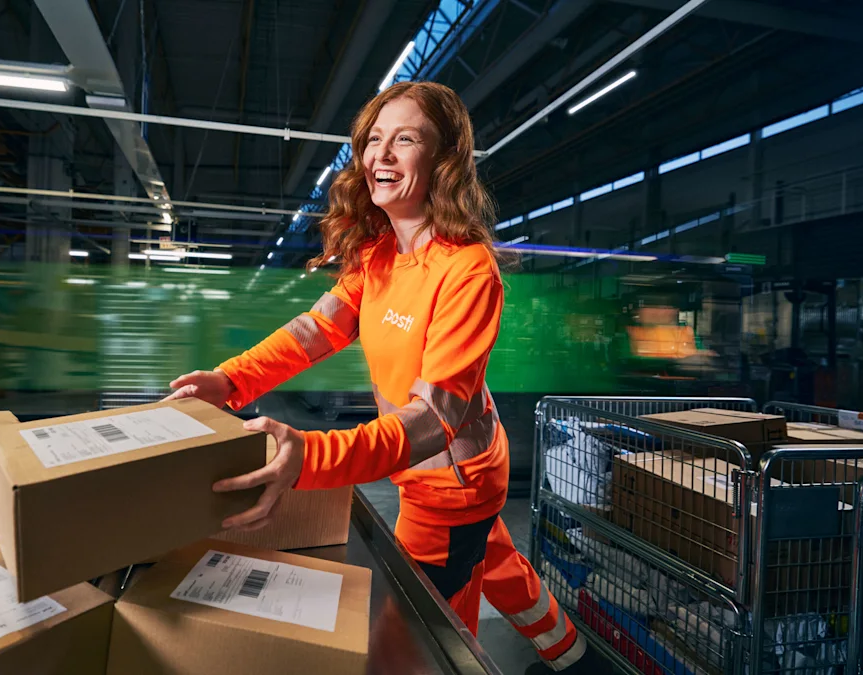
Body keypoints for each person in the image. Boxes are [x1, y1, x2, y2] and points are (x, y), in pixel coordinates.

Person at [166, 81, 605, 674]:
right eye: (374, 140)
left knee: (419, 645)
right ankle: (576, 660)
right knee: (496, 565)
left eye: (406, 140)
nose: (382, 155)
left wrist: (310, 458)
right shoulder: (377, 257)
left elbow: (432, 421)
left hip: (449, 485)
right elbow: (311, 332)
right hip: (457, 473)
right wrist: (229, 380)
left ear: (443, 160)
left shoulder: (468, 271)